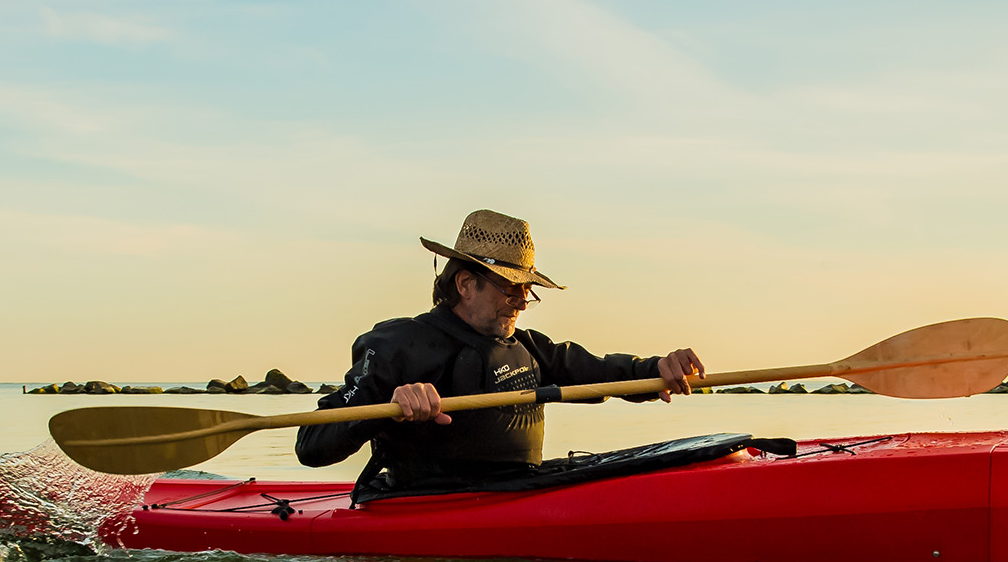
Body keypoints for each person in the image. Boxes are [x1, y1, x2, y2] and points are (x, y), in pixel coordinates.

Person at [296, 210, 703, 502]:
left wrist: (657, 369)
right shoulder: (395, 346)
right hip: (427, 504)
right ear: (466, 284)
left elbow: (598, 372)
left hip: (517, 491)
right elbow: (311, 446)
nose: (522, 303)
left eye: (527, 291)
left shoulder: (528, 348)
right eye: (511, 289)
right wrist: (387, 408)